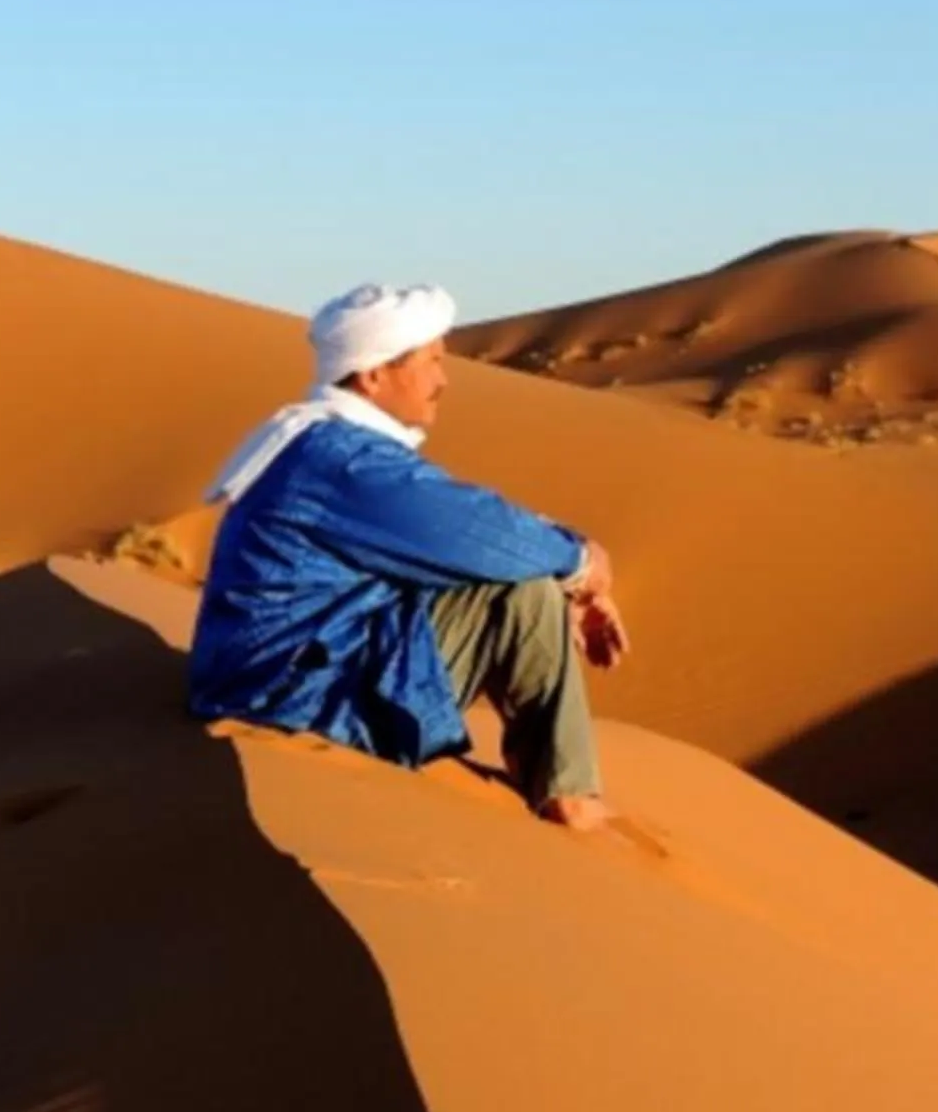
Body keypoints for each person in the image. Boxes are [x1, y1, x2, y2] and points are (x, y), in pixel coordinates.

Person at [188, 282, 632, 828]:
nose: (443, 380)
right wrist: (583, 563)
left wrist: (564, 562)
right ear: (374, 375)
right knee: (522, 591)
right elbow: (477, 532)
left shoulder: (327, 447)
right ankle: (567, 795)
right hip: (301, 702)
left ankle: (553, 780)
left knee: (517, 573)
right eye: (432, 362)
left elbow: (462, 526)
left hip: (291, 676)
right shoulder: (346, 463)